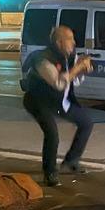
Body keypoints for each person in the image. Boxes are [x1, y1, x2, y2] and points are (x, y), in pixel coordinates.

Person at [23, 25, 94, 187]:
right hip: (38, 101)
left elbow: (73, 80)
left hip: (59, 101)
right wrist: (77, 68)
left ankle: (72, 160)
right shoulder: (43, 59)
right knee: (52, 134)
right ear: (59, 42)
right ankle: (49, 173)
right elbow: (58, 83)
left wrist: (83, 70)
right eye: (70, 39)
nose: (74, 43)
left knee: (86, 123)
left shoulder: (68, 56)